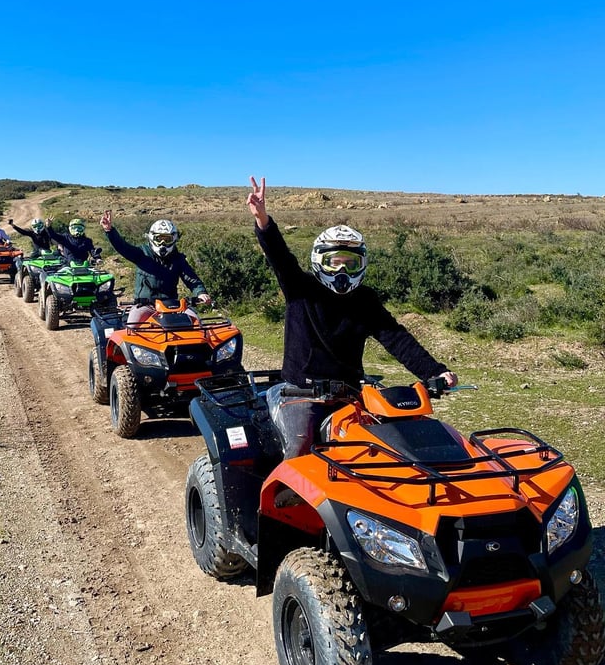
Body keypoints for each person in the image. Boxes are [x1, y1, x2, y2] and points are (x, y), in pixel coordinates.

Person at [246, 176, 458, 458]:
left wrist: (435, 372)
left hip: (350, 393)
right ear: (320, 261)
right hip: (300, 393)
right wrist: (263, 220)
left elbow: (396, 337)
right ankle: (282, 502)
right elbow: (280, 257)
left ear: (362, 264)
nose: (342, 271)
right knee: (300, 450)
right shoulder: (300, 288)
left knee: (390, 443)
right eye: (335, 262)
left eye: (351, 263)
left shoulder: (365, 300)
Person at [99, 210, 211, 324]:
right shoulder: (141, 254)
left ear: (174, 239)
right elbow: (123, 247)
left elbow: (192, 279)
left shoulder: (178, 259)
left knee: (196, 323)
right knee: (132, 327)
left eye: (167, 239)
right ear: (152, 238)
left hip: (172, 305)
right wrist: (109, 230)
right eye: (159, 238)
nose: (163, 243)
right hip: (145, 305)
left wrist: (200, 292)